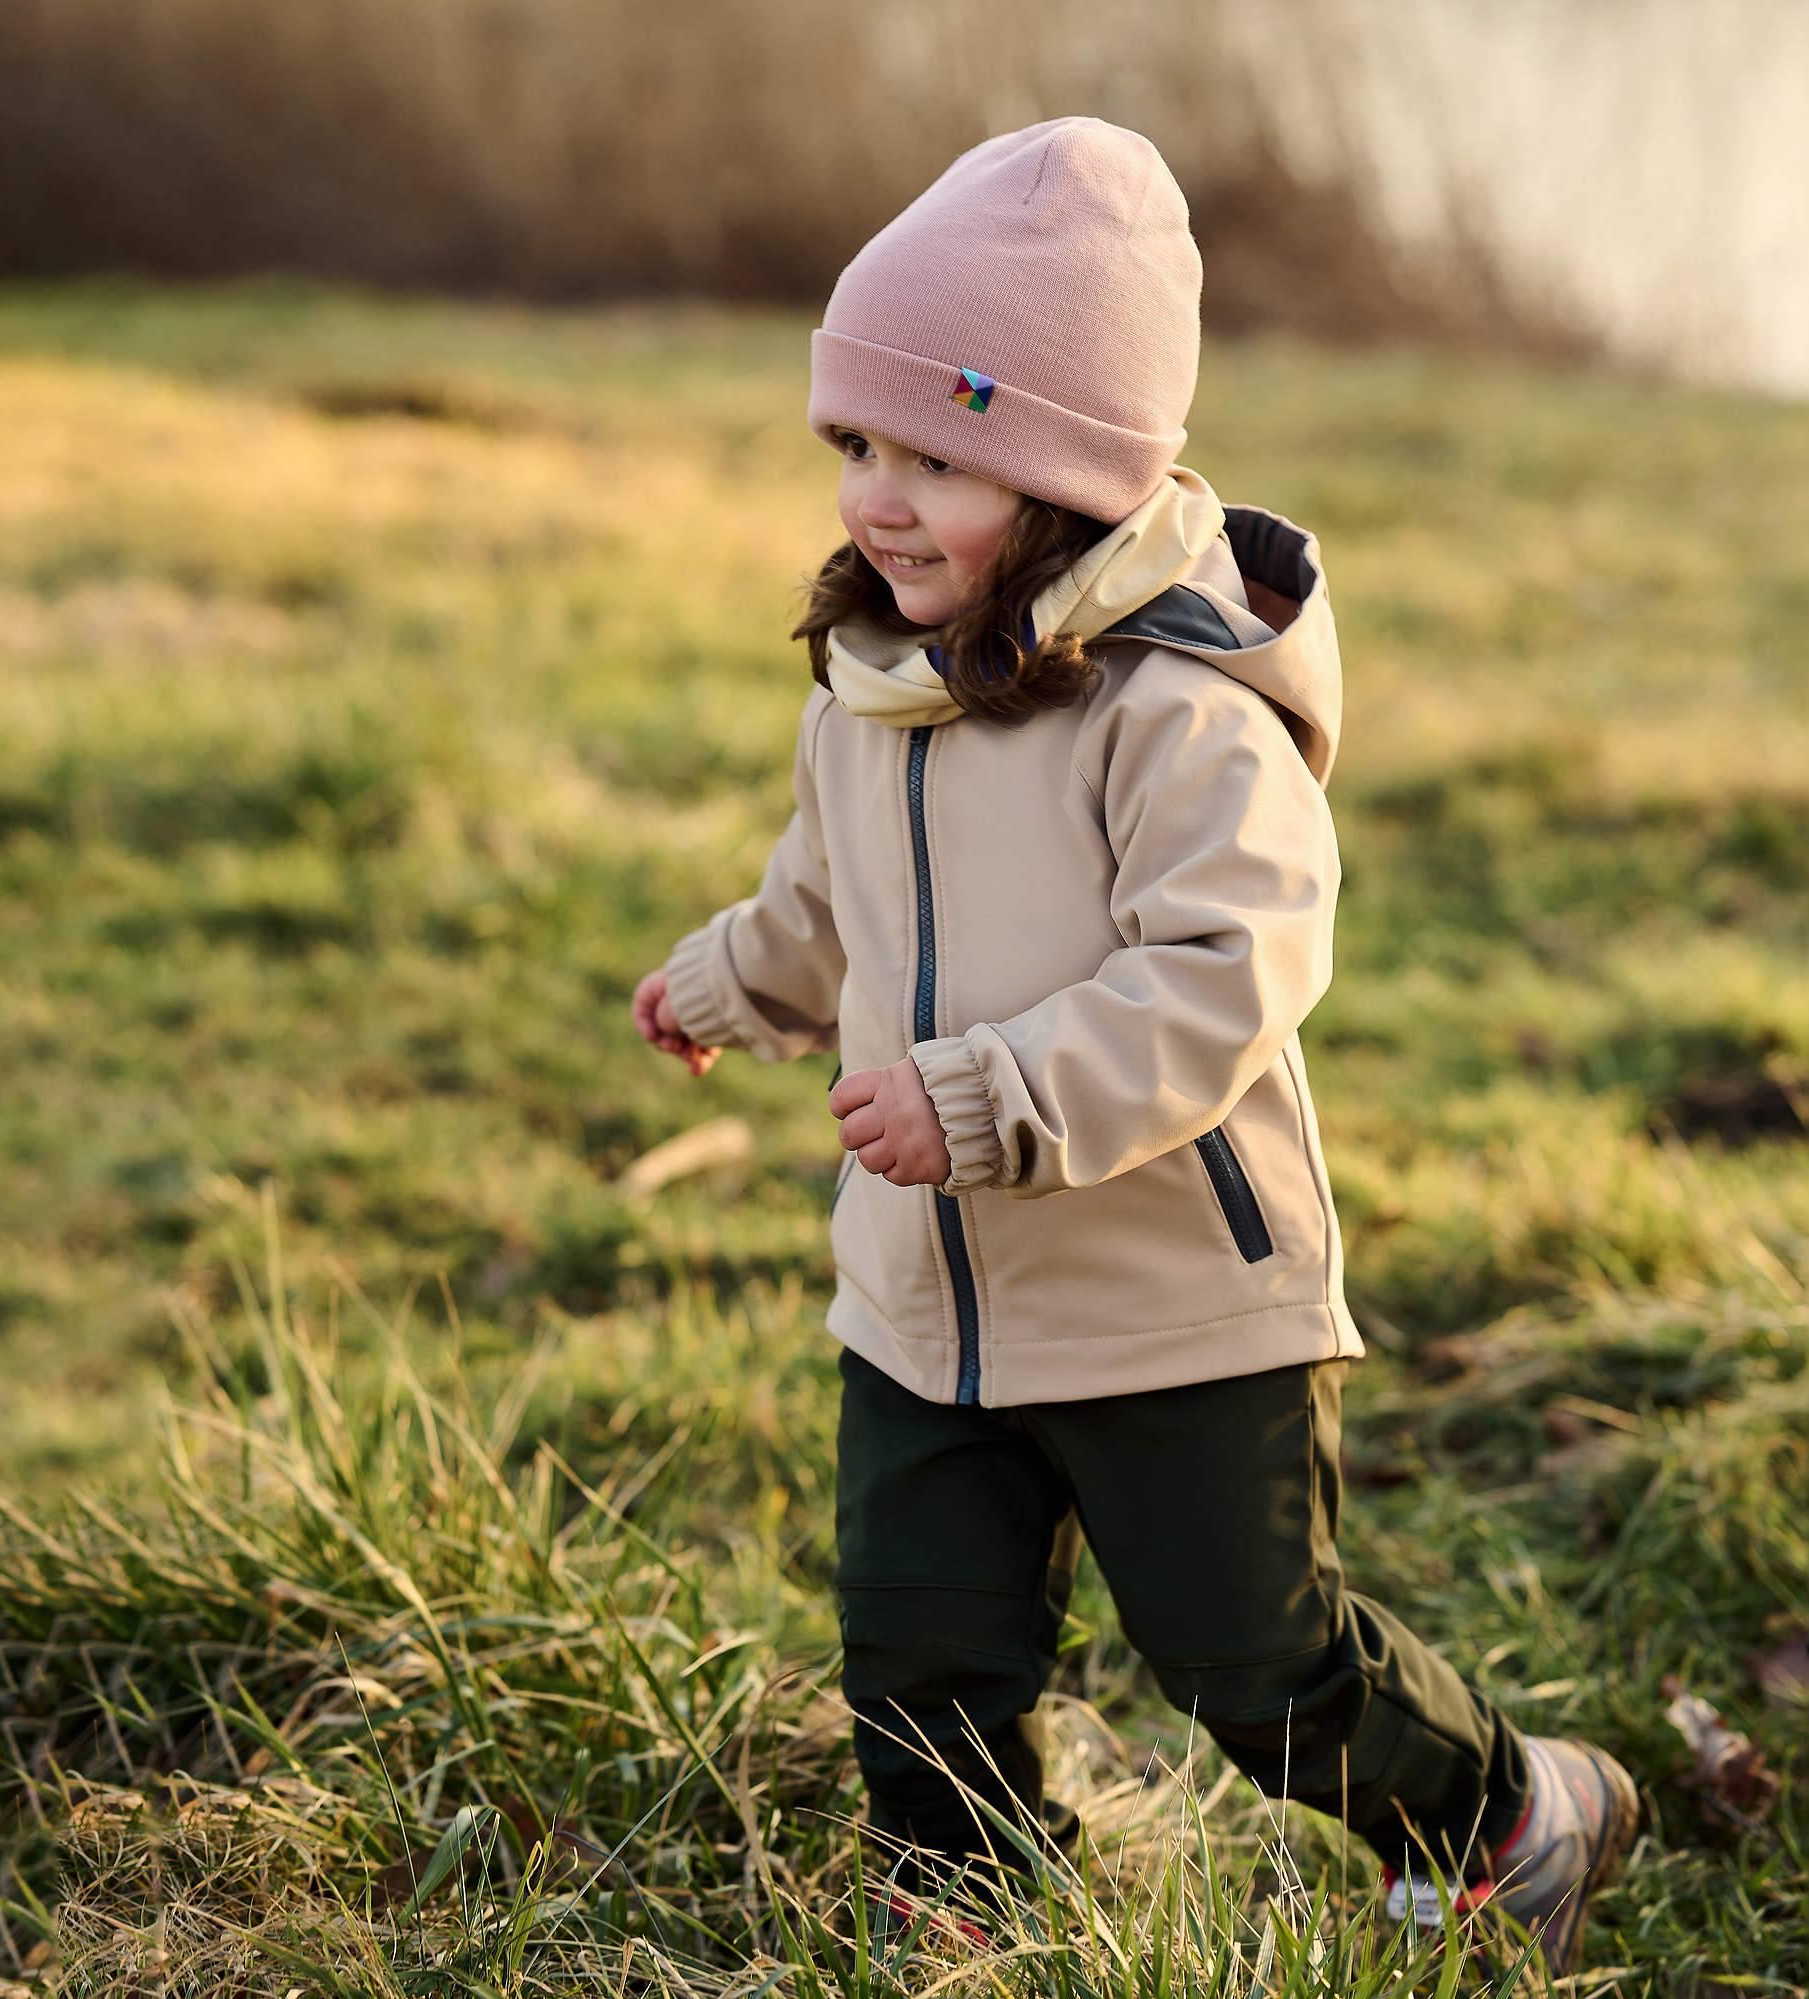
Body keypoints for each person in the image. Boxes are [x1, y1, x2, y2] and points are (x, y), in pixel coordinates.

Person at [631, 116, 1638, 1977]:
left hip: (1174, 1287)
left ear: (1077, 470)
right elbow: (826, 901)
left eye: (941, 457)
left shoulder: (1179, 706)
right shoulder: (869, 689)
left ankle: (1513, 1809)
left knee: (1251, 1663)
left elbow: (1229, 968)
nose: (879, 498)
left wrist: (994, 1096)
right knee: (920, 1649)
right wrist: (724, 985)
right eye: (856, 444)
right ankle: (979, 1925)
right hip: (929, 1301)